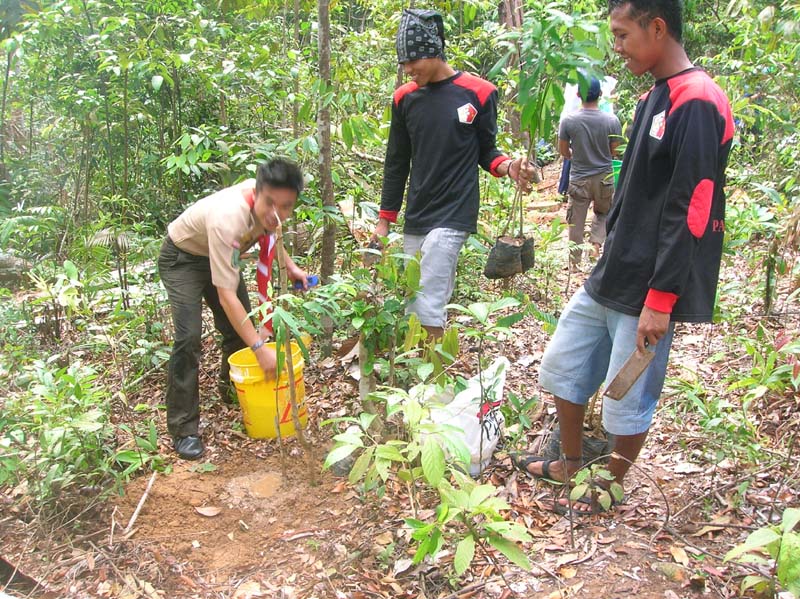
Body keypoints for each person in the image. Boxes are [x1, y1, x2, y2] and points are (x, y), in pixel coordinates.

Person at [514, 0, 733, 515]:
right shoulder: (657, 95)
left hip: (650, 283)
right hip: (613, 268)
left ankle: (610, 484)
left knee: (626, 395)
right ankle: (570, 459)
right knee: (563, 365)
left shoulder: (696, 99)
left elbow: (693, 204)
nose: (616, 47)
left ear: (657, 28)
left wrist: (662, 297)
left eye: (621, 35)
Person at [370, 8, 536, 340]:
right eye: (402, 62)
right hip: (419, 210)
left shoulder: (479, 92)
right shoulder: (405, 98)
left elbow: (485, 149)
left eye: (411, 61)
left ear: (433, 52)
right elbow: (397, 160)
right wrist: (385, 219)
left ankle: (432, 378)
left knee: (429, 292)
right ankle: (421, 363)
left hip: (455, 210)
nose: (407, 69)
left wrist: (508, 166)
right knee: (412, 290)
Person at [158, 159, 308, 460]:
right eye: (270, 203)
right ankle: (183, 428)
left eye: (286, 206)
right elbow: (227, 298)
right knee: (189, 338)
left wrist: (289, 266)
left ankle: (232, 388)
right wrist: (259, 347)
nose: (276, 213)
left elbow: (272, 231)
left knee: (238, 330)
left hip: (221, 256)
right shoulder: (229, 217)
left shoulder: (272, 210)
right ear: (257, 191)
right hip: (184, 258)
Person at [558, 76, 622, 266]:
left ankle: (574, 262)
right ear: (601, 94)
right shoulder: (612, 120)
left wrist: (577, 155)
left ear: (578, 95)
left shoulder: (568, 121)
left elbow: (563, 150)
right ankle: (595, 245)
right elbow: (615, 150)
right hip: (604, 178)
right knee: (603, 213)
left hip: (579, 178)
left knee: (576, 220)